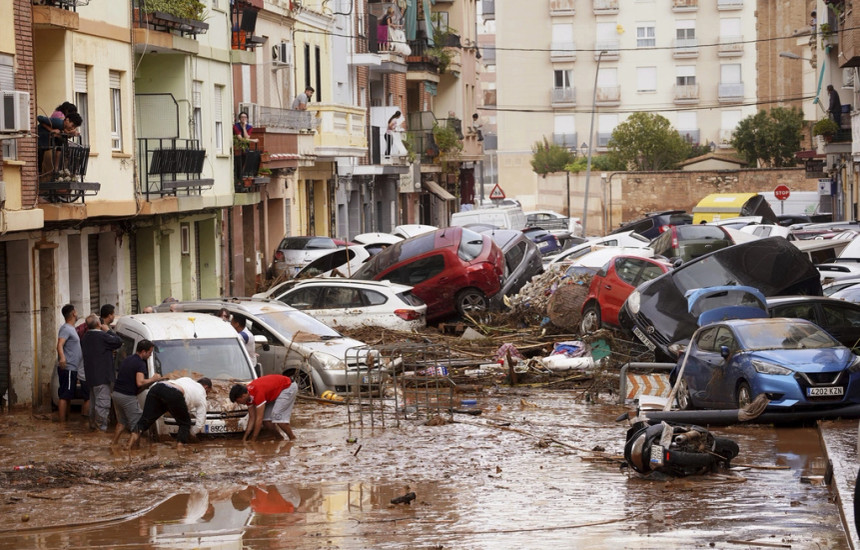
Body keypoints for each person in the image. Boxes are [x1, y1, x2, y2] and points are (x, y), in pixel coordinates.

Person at [127, 377, 212, 449]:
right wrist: (191, 433)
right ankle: (180, 452)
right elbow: (200, 422)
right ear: (206, 387)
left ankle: (128, 447)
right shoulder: (202, 395)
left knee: (145, 420)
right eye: (208, 392)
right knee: (185, 424)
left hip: (157, 387)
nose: (207, 394)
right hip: (174, 393)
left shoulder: (188, 379)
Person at [111, 340, 161, 447]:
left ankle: (113, 444)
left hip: (116, 394)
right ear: (143, 351)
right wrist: (153, 379)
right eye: (150, 352)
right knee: (138, 424)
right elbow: (140, 382)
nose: (150, 355)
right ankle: (131, 449)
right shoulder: (140, 363)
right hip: (127, 397)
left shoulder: (127, 359)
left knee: (122, 421)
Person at [81, 313, 123, 432]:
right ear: (99, 324)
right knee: (102, 404)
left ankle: (93, 427)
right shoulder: (101, 337)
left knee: (94, 404)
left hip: (91, 377)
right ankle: (101, 430)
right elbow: (119, 342)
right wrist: (108, 330)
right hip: (102, 377)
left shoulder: (85, 337)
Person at [229, 374, 298, 442]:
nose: (238, 403)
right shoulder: (248, 396)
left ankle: (293, 439)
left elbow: (259, 419)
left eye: (238, 401)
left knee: (277, 417)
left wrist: (253, 440)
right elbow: (252, 418)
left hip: (288, 387)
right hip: (275, 392)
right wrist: (245, 438)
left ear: (243, 396)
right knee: (266, 421)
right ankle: (279, 438)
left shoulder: (257, 393)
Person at [57, 304, 84, 423]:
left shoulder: (71, 328)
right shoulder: (66, 328)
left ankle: (65, 422)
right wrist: (62, 357)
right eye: (76, 311)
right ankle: (62, 424)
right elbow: (59, 344)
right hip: (68, 367)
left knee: (68, 396)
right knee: (65, 395)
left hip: (72, 368)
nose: (77, 313)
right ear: (73, 313)